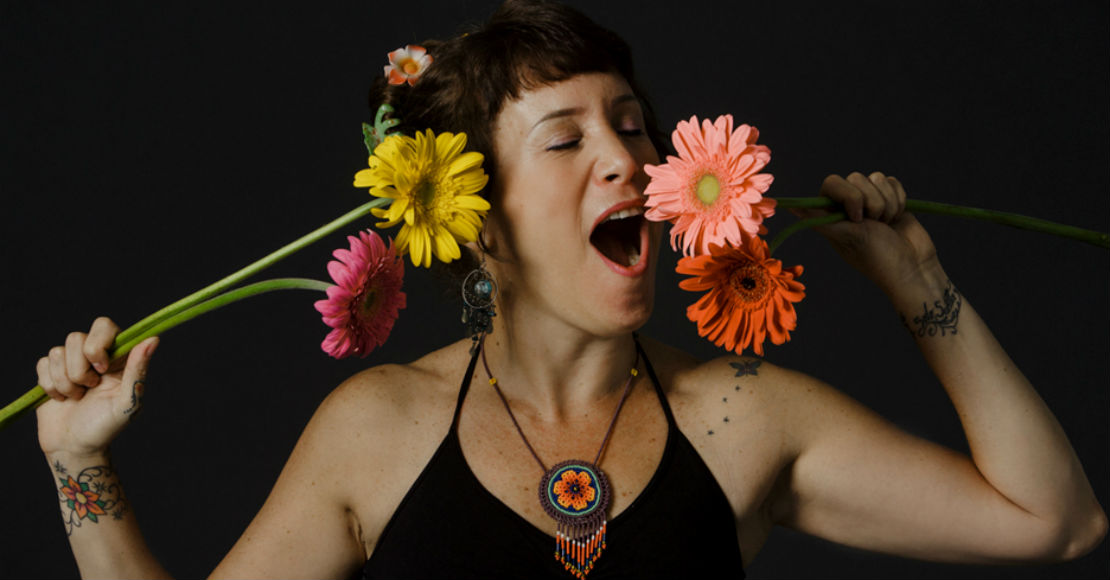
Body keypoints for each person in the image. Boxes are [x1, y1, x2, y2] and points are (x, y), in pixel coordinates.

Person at [32, 1, 1106, 578]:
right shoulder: (377, 428)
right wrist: (82, 469)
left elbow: (1052, 522)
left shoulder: (742, 416)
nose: (627, 159)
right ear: (478, 220)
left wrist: (924, 287)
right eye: (565, 138)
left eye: (632, 125)